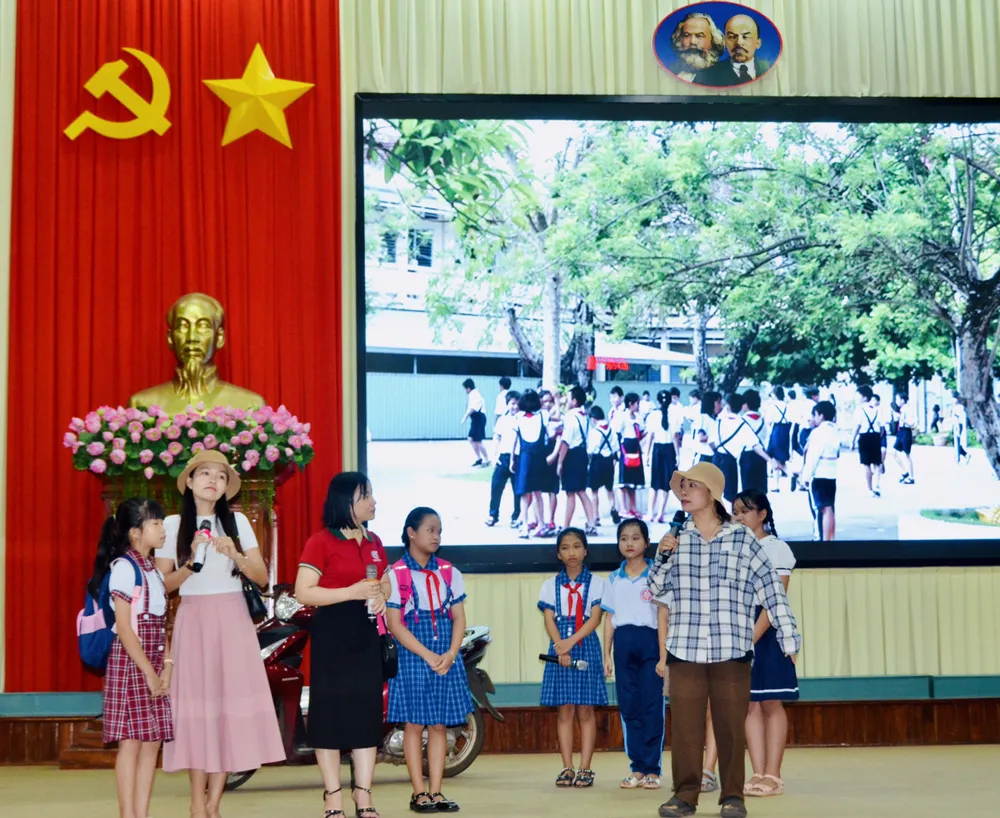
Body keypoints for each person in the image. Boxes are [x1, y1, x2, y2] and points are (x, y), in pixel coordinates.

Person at [649, 462, 800, 818]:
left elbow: (770, 589)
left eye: (691, 485)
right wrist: (661, 555)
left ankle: (733, 796)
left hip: (731, 648)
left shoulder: (742, 537)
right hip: (684, 648)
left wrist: (789, 636)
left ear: (712, 492)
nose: (683, 491)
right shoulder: (677, 539)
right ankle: (684, 796)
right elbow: (654, 590)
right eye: (681, 486)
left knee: (731, 725)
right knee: (685, 728)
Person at [155, 451, 283, 818]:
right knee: (198, 711)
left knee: (228, 709)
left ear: (227, 487)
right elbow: (163, 584)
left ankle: (214, 803)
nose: (213, 480)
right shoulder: (174, 523)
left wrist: (236, 556)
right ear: (190, 482)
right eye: (205, 473)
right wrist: (192, 560)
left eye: (221, 476)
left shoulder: (238, 521)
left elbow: (261, 577)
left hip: (233, 619)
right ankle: (197, 803)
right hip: (194, 620)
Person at [295, 472, 390, 818]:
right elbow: (304, 591)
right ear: (345, 502)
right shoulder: (321, 541)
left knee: (366, 717)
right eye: (366, 496)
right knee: (331, 717)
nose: (373, 502)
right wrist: (350, 592)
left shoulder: (375, 540)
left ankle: (363, 796)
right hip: (332, 636)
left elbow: (386, 581)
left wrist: (382, 594)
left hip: (366, 636)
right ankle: (332, 796)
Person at [386, 507, 472, 814]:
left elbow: (459, 618)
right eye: (430, 530)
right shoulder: (396, 574)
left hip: (445, 655)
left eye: (439, 531)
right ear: (411, 532)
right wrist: (428, 654)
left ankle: (436, 791)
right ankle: (418, 792)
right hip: (414, 656)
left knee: (438, 725)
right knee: (414, 724)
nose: (436, 536)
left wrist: (450, 653)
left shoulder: (449, 572)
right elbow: (395, 624)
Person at [93, 498, 173, 818]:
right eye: (156, 524)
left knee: (152, 740)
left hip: (154, 663)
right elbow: (125, 629)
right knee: (131, 741)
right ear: (135, 533)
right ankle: (128, 814)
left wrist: (166, 667)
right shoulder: (125, 568)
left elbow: (163, 622)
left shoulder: (152, 569)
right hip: (131, 664)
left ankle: (142, 812)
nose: (163, 529)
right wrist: (149, 674)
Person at [733, 490, 798, 798]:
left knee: (771, 702)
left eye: (745, 511)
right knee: (749, 704)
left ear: (762, 515)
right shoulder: (733, 548)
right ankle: (758, 772)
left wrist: (750, 639)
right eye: (734, 512)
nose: (738, 517)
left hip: (767, 633)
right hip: (738, 630)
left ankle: (774, 774)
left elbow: (774, 603)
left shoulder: (777, 548)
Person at [539, 528, 607, 788]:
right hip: (560, 648)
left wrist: (570, 642)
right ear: (559, 553)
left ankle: (586, 767)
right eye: (565, 547)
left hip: (585, 645)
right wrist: (561, 646)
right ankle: (567, 767)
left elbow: (595, 618)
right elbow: (549, 618)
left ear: (585, 550)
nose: (572, 552)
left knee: (586, 711)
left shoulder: (598, 583)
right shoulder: (549, 585)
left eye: (577, 546)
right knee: (564, 711)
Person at [602, 519, 664, 790]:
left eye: (636, 538)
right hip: (624, 644)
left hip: (651, 642)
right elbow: (609, 618)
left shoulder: (656, 575)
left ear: (647, 543)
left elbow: (664, 616)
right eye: (624, 538)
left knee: (652, 706)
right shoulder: (613, 578)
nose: (629, 543)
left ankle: (652, 768)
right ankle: (637, 767)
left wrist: (664, 656)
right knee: (629, 707)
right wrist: (606, 654)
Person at [712, 393, 771, 504]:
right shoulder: (753, 422)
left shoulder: (724, 421)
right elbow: (758, 444)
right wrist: (770, 460)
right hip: (749, 458)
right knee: (755, 490)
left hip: (727, 457)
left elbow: (712, 442)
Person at [557, 386, 597, 533]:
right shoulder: (584, 416)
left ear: (574, 401)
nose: (566, 400)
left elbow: (565, 442)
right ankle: (591, 523)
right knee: (581, 491)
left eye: (568, 397)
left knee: (570, 492)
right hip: (582, 454)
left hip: (572, 456)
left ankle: (566, 526)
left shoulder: (570, 417)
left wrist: (560, 462)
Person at [695, 14, 772, 87]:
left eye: (745, 37)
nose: (739, 42)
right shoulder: (706, 75)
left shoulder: (771, 70)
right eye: (732, 37)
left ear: (758, 43)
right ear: (725, 41)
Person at [512, 389, 549, 538]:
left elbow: (514, 441)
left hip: (525, 457)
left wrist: (512, 460)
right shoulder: (543, 416)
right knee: (538, 493)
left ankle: (525, 526)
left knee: (524, 493)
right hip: (539, 457)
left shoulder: (518, 418)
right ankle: (541, 524)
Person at [802, 401, 840, 541]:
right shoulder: (835, 431)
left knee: (824, 508)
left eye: (815, 415)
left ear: (821, 415)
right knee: (830, 507)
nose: (814, 418)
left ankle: (824, 539)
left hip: (819, 473)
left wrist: (805, 476)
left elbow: (813, 456)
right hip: (832, 473)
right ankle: (830, 537)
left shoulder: (818, 433)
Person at [486, 390, 522, 528]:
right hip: (503, 457)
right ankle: (493, 515)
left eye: (517, 404)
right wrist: (495, 456)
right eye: (512, 403)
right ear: (507, 404)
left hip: (518, 458)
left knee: (518, 489)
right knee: (496, 486)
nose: (514, 407)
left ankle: (516, 516)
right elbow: (497, 437)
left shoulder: (522, 419)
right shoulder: (502, 419)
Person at [647, 389, 679, 523]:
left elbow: (650, 436)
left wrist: (647, 454)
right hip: (669, 450)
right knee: (666, 483)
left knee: (655, 483)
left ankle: (650, 513)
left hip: (657, 449)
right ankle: (660, 514)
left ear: (658, 401)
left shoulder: (653, 415)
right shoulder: (674, 415)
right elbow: (676, 437)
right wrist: (678, 455)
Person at [664, 11, 725, 82]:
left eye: (699, 35)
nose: (692, 41)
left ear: (713, 41)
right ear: (679, 40)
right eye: (687, 35)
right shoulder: (669, 71)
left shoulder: (723, 76)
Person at [587, 405, 621, 527]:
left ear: (593, 419)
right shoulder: (612, 430)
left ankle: (596, 517)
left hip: (597, 461)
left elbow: (590, 450)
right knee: (609, 489)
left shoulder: (594, 432)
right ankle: (613, 508)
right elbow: (616, 448)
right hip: (609, 461)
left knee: (594, 491)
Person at [616, 392, 647, 518]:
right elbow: (618, 433)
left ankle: (633, 508)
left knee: (633, 481)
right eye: (637, 403)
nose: (638, 406)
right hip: (625, 446)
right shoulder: (622, 417)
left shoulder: (639, 417)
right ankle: (623, 509)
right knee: (624, 481)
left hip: (635, 446)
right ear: (630, 404)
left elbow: (642, 432)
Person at [851, 385, 884, 498]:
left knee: (866, 463)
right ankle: (877, 484)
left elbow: (857, 426)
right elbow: (882, 427)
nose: (857, 398)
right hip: (875, 436)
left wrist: (853, 440)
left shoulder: (859, 410)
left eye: (859, 395)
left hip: (864, 437)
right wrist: (878, 436)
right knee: (877, 462)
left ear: (864, 397)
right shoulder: (876, 409)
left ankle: (870, 488)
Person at [739, 390, 769, 494]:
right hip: (761, 456)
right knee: (760, 489)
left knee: (748, 489)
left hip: (747, 455)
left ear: (746, 405)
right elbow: (765, 437)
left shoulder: (742, 420)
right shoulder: (763, 421)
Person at [764, 386, 792, 492]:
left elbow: (768, 421)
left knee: (774, 458)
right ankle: (777, 485)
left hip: (776, 430)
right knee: (779, 458)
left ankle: (791, 475)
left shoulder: (772, 406)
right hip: (786, 431)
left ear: (774, 395)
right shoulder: (787, 406)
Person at [460, 378, 489, 467]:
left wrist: (465, 417)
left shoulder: (474, 394)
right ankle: (478, 458)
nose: (465, 391)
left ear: (468, 388)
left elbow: (473, 408)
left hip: (478, 418)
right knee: (471, 439)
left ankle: (487, 459)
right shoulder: (473, 394)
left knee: (478, 440)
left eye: (465, 388)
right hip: (476, 418)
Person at [892, 392, 918, 484]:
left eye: (897, 399)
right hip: (901, 431)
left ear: (902, 400)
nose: (896, 401)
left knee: (907, 454)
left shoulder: (908, 409)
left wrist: (901, 418)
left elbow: (911, 423)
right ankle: (905, 472)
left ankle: (911, 477)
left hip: (906, 432)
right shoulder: (901, 409)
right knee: (894, 453)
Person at [952, 394, 970, 464]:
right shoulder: (959, 407)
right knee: (956, 442)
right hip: (957, 425)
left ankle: (963, 456)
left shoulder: (958, 407)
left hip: (957, 425)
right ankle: (960, 456)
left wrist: (957, 428)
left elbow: (956, 417)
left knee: (956, 442)